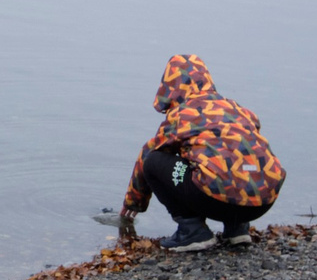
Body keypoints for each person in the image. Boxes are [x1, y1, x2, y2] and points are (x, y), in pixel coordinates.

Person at [117, 54, 284, 253]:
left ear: (171, 86)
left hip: (215, 200)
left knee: (154, 161)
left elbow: (149, 155)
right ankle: (237, 229)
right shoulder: (239, 110)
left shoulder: (183, 114)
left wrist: (134, 203)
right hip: (263, 202)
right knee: (231, 160)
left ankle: (192, 230)